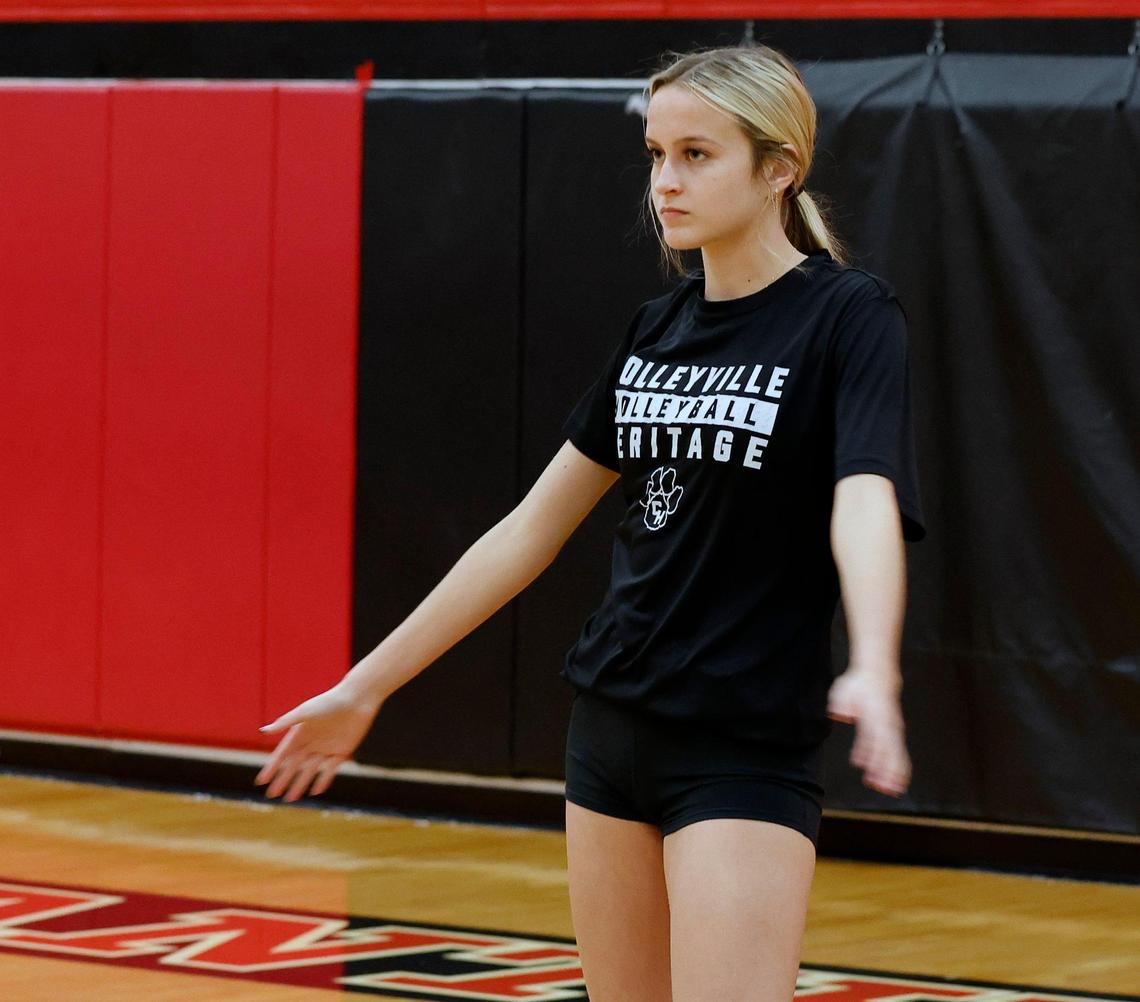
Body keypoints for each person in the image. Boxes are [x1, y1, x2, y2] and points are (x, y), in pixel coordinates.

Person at [256, 42, 926, 1002]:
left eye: (698, 155)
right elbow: (529, 531)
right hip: (611, 732)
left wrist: (874, 661)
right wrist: (366, 687)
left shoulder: (848, 318)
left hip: (740, 743)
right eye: (656, 155)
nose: (666, 181)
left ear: (779, 168)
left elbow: (863, 493)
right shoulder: (657, 331)